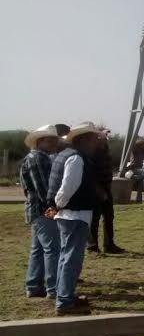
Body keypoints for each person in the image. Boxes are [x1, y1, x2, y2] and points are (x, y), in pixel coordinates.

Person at [45, 122, 100, 315]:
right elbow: (68, 187)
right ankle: (64, 302)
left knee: (65, 257)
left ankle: (64, 295)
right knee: (71, 259)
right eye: (93, 139)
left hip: (68, 214)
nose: (96, 142)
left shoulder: (65, 155)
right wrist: (59, 205)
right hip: (74, 214)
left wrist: (57, 206)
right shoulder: (77, 158)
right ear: (84, 139)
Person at [20, 124, 62, 299]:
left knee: (38, 249)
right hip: (43, 210)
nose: (53, 143)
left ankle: (34, 285)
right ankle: (53, 288)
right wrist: (54, 207)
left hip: (38, 210)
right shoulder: (37, 159)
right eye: (49, 140)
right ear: (39, 141)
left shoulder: (39, 157)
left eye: (54, 139)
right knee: (52, 248)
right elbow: (43, 189)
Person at [87, 127, 124, 254]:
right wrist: (99, 190)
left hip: (107, 187)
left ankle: (109, 244)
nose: (106, 137)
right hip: (97, 188)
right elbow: (91, 174)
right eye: (104, 135)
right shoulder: (93, 151)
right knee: (95, 218)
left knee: (109, 216)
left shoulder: (105, 149)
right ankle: (92, 245)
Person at [126, 138, 144, 204]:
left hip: (138, 168)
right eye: (142, 145)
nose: (143, 146)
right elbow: (133, 145)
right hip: (134, 168)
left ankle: (138, 200)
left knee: (139, 185)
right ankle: (137, 200)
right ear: (139, 145)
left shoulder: (142, 151)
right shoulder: (135, 151)